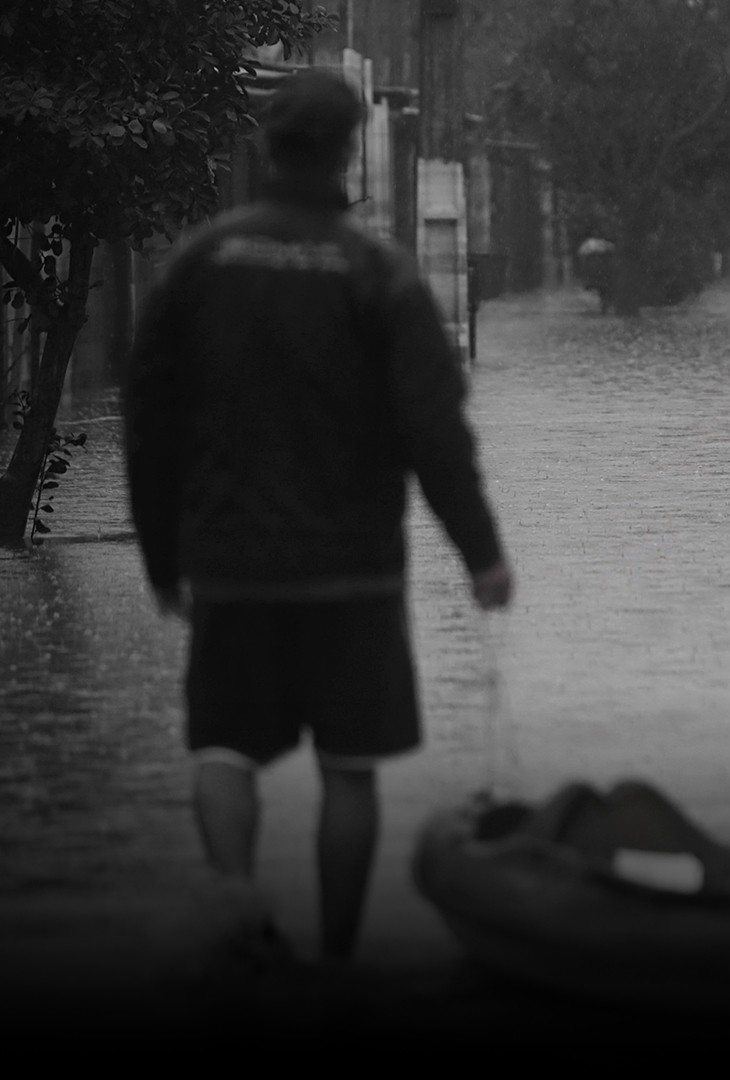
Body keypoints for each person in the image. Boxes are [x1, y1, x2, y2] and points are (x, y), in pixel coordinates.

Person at [123, 69, 514, 962]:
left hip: (230, 561)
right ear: (350, 153)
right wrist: (482, 556)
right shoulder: (378, 275)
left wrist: (159, 557)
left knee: (222, 747)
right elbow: (433, 431)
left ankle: (239, 907)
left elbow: (148, 423)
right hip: (354, 568)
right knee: (350, 768)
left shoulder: (199, 263)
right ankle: (336, 961)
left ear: (265, 148)